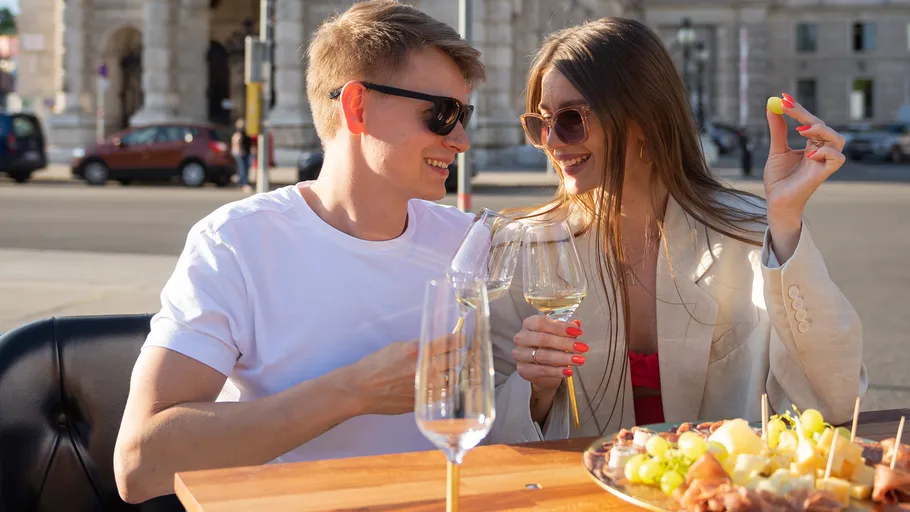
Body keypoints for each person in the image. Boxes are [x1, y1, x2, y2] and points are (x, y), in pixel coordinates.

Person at [113, 0, 484, 503]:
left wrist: (540, 380)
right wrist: (353, 391)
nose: (460, 140)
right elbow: (139, 464)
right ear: (357, 107)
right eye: (442, 114)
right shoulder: (237, 242)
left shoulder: (471, 243)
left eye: (464, 115)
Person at [487, 17, 867, 444]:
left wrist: (784, 220)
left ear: (642, 117)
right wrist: (535, 389)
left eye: (571, 119)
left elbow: (835, 400)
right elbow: (485, 430)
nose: (552, 141)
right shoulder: (523, 246)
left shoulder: (750, 234)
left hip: (719, 481)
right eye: (540, 124)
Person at [230, 119, 253, 193]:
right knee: (243, 169)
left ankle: (241, 183)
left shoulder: (241, 133)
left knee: (242, 168)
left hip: (243, 153)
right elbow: (237, 143)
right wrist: (240, 150)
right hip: (242, 153)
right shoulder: (240, 134)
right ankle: (244, 184)